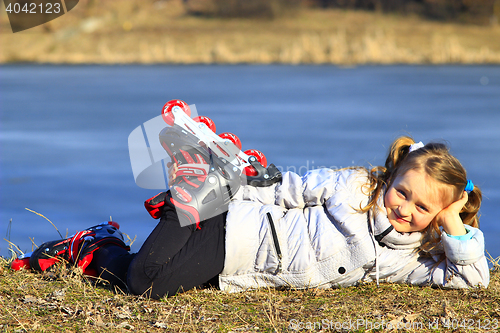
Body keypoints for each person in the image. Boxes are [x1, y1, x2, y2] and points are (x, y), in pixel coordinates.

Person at [17, 136, 489, 299]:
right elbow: (289, 187)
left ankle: (96, 245)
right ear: (390, 178)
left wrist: (453, 223)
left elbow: (474, 282)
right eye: (401, 191)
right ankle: (197, 191)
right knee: (146, 282)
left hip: (238, 273)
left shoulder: (411, 261)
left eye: (421, 207)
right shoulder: (354, 190)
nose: (403, 208)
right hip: (234, 227)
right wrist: (244, 178)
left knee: (141, 276)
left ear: (436, 216)